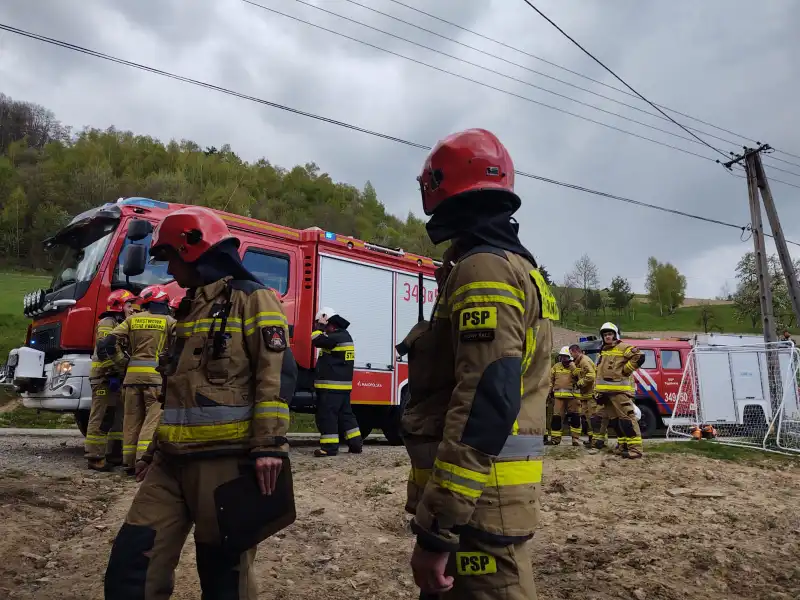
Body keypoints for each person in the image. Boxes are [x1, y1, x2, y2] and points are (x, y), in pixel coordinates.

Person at [103, 206, 297, 600]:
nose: (170, 271)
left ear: (193, 248)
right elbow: (178, 388)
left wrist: (269, 446)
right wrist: (154, 447)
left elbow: (275, 376)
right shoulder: (189, 308)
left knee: (224, 577)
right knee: (131, 569)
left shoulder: (254, 299)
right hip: (170, 463)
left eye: (171, 258)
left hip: (226, 464)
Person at [397, 128, 556, 599]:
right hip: (484, 504)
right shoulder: (513, 264)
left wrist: (439, 529)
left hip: (477, 510)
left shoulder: (484, 268)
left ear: (440, 186)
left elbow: (484, 400)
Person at [98, 285, 176, 473]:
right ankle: (143, 461)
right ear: (164, 302)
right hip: (155, 380)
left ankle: (129, 462)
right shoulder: (168, 321)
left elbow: (107, 343)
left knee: (131, 420)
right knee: (151, 421)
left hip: (131, 378)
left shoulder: (132, 320)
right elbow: (179, 345)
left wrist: (121, 362)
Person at [85, 289, 136, 471]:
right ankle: (94, 456)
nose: (133, 309)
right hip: (104, 377)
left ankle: (114, 455)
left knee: (117, 417)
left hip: (116, 376)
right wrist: (116, 369)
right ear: (118, 306)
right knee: (101, 416)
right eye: (129, 305)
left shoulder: (122, 322)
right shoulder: (108, 322)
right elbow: (104, 349)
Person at [311, 307, 362, 457]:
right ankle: (356, 444)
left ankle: (329, 448)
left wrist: (319, 327)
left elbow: (316, 340)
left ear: (330, 322)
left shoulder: (336, 337)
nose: (324, 329)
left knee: (328, 416)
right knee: (346, 415)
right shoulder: (344, 336)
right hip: (342, 388)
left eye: (325, 326)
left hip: (331, 387)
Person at [594, 322, 645, 459]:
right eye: (605, 335)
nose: (607, 337)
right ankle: (622, 446)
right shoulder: (603, 351)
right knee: (615, 422)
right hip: (606, 394)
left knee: (628, 420)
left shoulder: (623, 347)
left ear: (615, 335)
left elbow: (639, 356)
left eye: (610, 334)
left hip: (619, 392)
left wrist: (625, 370)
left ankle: (636, 450)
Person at [548, 346, 581, 446]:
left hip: (573, 398)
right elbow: (550, 380)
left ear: (570, 357)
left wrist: (573, 367)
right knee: (556, 418)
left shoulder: (575, 366)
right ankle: (555, 439)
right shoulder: (556, 367)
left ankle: (575, 439)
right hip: (558, 398)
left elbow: (580, 377)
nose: (563, 359)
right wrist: (549, 392)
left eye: (566, 357)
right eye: (562, 357)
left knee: (575, 418)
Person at [569, 343, 597, 447]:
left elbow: (591, 376)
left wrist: (580, 383)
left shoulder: (584, 361)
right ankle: (591, 440)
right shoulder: (579, 362)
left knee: (593, 418)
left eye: (572, 353)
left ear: (576, 351)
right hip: (585, 395)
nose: (571, 356)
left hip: (591, 395)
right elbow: (580, 374)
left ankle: (597, 441)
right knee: (587, 418)